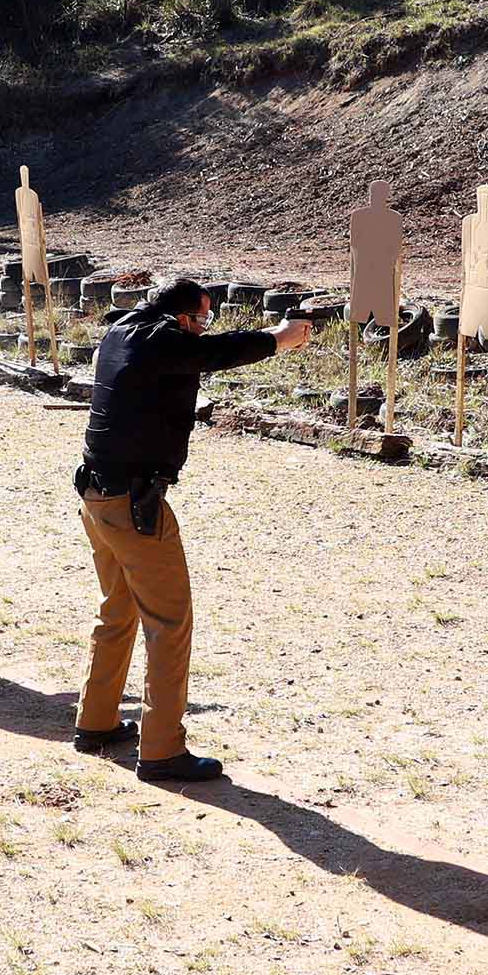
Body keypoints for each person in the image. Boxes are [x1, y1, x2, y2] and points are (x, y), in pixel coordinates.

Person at [73, 276, 315, 782]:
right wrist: (279, 337)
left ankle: (96, 722)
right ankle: (161, 750)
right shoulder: (159, 339)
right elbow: (215, 352)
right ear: (182, 318)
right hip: (133, 501)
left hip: (99, 496)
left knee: (117, 610)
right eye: (201, 319)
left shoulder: (121, 330)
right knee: (169, 622)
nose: (203, 329)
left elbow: (197, 351)